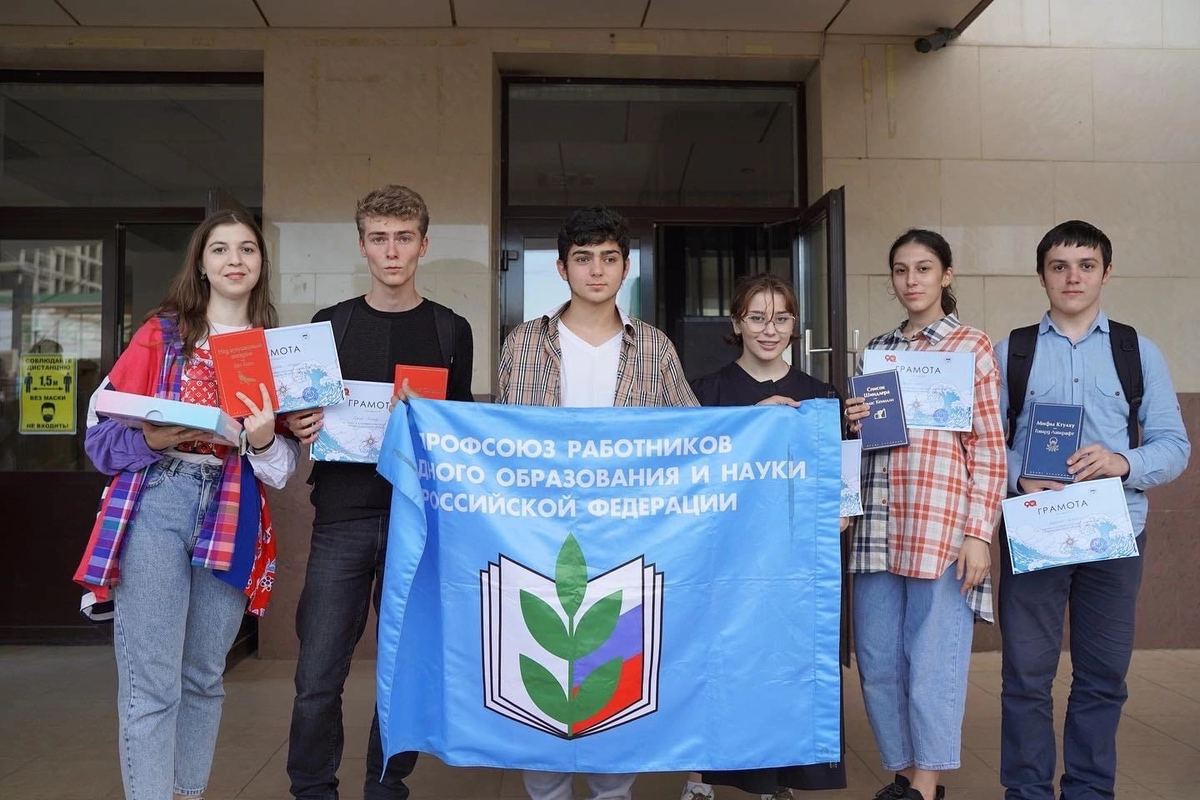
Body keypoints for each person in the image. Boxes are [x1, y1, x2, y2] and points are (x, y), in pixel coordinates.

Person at [77, 209, 299, 800]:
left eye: (247, 249)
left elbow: (281, 472)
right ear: (201, 263)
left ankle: (187, 793)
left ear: (261, 264)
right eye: (220, 249)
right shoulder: (162, 334)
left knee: (204, 676)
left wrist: (261, 440)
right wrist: (151, 439)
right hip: (158, 500)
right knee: (152, 683)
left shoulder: (277, 351)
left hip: (232, 506)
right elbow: (99, 435)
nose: (234, 260)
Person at [496, 205, 698, 800]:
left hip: (625, 538)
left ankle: (614, 792)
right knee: (542, 689)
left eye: (609, 258)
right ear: (562, 268)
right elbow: (497, 443)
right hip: (539, 539)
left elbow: (695, 437)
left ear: (626, 267)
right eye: (583, 258)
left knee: (613, 687)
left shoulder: (654, 348)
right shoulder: (523, 344)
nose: (596, 270)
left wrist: (761, 423)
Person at [283, 185, 475, 800]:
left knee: (402, 673)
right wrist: (299, 423)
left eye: (403, 238)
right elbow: (298, 414)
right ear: (362, 245)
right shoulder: (329, 324)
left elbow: (458, 435)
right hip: (341, 515)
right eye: (379, 239)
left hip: (416, 522)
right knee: (317, 674)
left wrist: (427, 423)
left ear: (424, 244)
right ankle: (312, 789)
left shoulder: (451, 330)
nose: (392, 252)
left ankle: (386, 788)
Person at [994, 221, 1189, 800]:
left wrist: (1122, 462)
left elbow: (1174, 446)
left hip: (1114, 533)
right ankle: (1027, 792)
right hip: (1035, 529)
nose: (1072, 277)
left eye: (1086, 265)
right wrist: (1017, 474)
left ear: (1107, 272)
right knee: (1026, 678)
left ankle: (1088, 791)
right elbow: (981, 443)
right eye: (1059, 266)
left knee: (1103, 678)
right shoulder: (1012, 352)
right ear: (1042, 276)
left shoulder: (1137, 352)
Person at [845, 229, 1007, 800]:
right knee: (878, 659)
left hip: (940, 526)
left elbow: (989, 447)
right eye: (900, 270)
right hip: (877, 526)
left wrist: (978, 534)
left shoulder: (971, 346)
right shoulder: (878, 351)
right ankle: (904, 770)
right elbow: (866, 445)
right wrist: (854, 421)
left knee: (933, 659)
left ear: (946, 275)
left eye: (923, 268)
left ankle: (927, 779)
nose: (911, 280)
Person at [685, 272, 849, 800]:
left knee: (784, 666)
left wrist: (841, 510)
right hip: (723, 563)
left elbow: (840, 488)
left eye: (781, 318)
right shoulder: (705, 393)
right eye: (756, 318)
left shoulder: (820, 396)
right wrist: (748, 428)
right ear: (736, 323)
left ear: (794, 324)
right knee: (715, 666)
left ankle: (774, 780)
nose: (769, 329)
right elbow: (687, 479)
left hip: (792, 566)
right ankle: (700, 780)